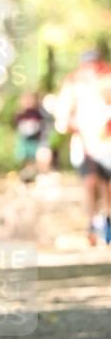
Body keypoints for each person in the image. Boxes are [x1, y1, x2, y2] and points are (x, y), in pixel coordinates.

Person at [54, 49, 111, 245]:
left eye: (94, 63)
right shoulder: (73, 83)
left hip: (107, 143)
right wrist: (74, 124)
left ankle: (107, 222)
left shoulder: (108, 78)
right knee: (90, 183)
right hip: (84, 144)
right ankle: (92, 225)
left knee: (108, 187)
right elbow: (62, 119)